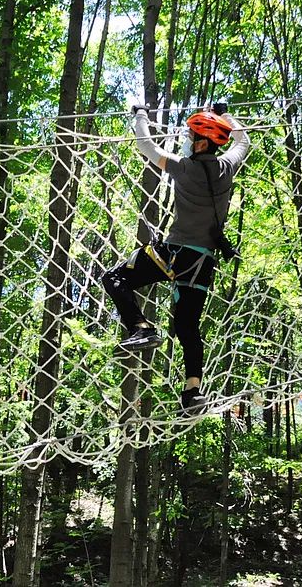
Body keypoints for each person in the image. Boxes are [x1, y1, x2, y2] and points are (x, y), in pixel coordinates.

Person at [101, 102, 250, 415]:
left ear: (200, 142)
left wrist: (140, 114)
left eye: (190, 136)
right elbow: (243, 142)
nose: (186, 141)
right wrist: (226, 116)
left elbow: (146, 145)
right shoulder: (227, 168)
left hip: (174, 254)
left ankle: (140, 327)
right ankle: (193, 392)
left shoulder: (185, 167)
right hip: (203, 262)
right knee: (187, 326)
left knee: (113, 277)